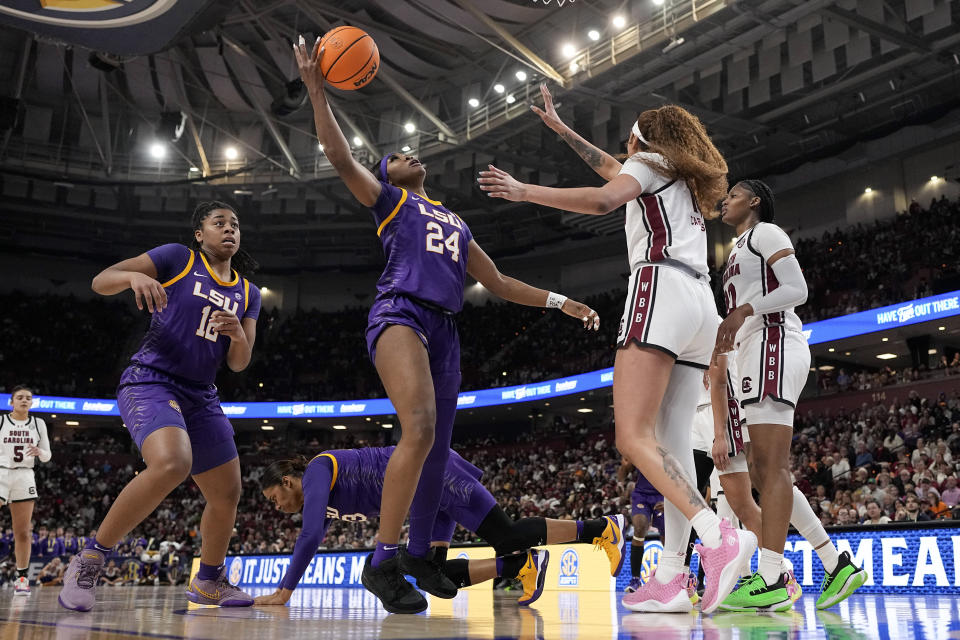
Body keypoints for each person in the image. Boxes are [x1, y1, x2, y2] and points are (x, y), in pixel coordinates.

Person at [294, 40, 600, 614]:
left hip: (446, 330)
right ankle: (381, 562)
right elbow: (338, 157)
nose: (408, 153)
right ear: (387, 174)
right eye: (396, 155)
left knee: (435, 449)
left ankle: (422, 554)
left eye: (410, 152)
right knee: (420, 426)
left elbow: (503, 283)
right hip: (400, 314)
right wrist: (317, 90)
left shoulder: (455, 221)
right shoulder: (388, 201)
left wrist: (562, 303)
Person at [483, 83, 755, 614]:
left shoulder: (650, 162)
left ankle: (716, 536)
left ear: (645, 140)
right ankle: (675, 576)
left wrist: (524, 190)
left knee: (632, 437)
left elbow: (606, 196)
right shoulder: (679, 177)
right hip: (702, 302)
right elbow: (611, 169)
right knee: (673, 450)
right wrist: (563, 131)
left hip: (661, 290)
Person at [59, 201, 261, 612]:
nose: (229, 229)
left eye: (235, 225)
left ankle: (208, 581)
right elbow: (101, 280)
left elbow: (239, 363)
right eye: (218, 222)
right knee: (173, 462)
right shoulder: (177, 258)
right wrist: (134, 275)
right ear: (199, 234)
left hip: (201, 393)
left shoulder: (248, 293)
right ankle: (90, 560)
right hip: (151, 380)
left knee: (228, 492)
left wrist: (239, 334)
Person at [713, 180, 867, 611]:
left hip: (774, 342)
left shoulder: (766, 233)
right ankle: (835, 564)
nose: (726, 199)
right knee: (763, 474)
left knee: (770, 468)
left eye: (734, 194)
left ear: (755, 201)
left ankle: (771, 577)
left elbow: (797, 289)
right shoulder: (738, 248)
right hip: (754, 350)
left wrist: (744, 309)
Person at [252, 449, 625, 607]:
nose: (278, 508)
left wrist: (285, 591)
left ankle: (599, 528)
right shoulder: (321, 494)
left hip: (434, 474)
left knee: (506, 535)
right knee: (432, 570)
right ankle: (520, 567)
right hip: (422, 499)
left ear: (288, 481)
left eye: (274, 498)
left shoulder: (317, 471)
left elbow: (311, 536)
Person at [1, 384, 52, 595]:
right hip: (2, 472)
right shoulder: (2, 420)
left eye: (28, 398)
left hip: (25, 475)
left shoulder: (38, 423)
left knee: (22, 532)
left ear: (31, 403)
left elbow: (47, 456)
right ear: (11, 402)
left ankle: (21, 578)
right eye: (20, 397)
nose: (24, 400)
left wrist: (40, 451)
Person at [617, 459, 664, 593]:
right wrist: (621, 477)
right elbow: (624, 470)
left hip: (663, 493)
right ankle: (636, 579)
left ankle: (671, 578)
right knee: (639, 527)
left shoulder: (669, 446)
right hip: (642, 494)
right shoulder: (642, 442)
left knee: (666, 535)